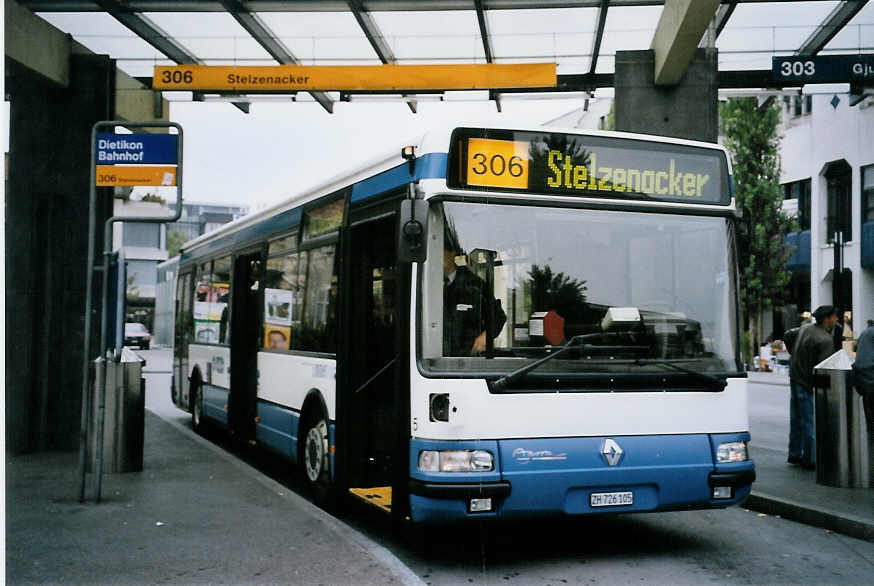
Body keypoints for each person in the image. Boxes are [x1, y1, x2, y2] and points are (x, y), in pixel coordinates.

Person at [788, 305, 839, 470]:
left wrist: (793, 355)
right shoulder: (825, 339)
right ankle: (810, 458)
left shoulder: (805, 328)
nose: (837, 320)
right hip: (807, 382)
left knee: (796, 419)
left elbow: (788, 335)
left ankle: (794, 453)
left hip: (795, 377)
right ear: (827, 319)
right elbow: (825, 367)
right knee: (810, 421)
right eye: (834, 317)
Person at [442, 228, 506, 356]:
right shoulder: (433, 284)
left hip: (468, 360)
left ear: (452, 254)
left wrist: (485, 336)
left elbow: (498, 317)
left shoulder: (474, 285)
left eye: (440, 252)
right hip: (440, 360)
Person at [851, 320, 874, 440]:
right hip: (871, 376)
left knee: (870, 413)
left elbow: (855, 348)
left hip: (863, 380)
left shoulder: (865, 333)